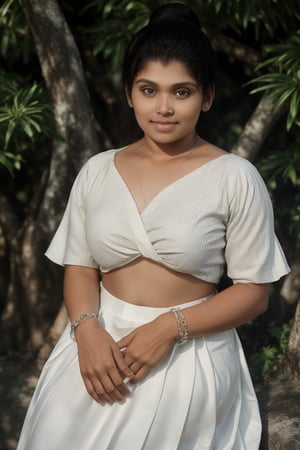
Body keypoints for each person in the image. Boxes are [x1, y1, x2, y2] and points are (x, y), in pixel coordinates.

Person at [17, 3, 290, 449]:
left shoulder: (235, 177)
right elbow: (81, 267)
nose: (163, 107)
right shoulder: (97, 170)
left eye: (181, 92)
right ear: (129, 93)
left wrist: (168, 328)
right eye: (149, 90)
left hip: (189, 353)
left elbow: (253, 294)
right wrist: (86, 332)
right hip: (93, 345)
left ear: (208, 96)